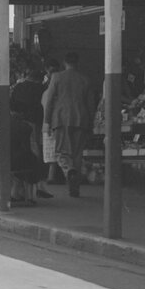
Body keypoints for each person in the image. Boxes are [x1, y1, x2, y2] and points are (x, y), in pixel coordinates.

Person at [43, 51, 97, 197]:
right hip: (81, 119)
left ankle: (69, 171)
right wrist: (91, 123)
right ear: (77, 63)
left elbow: (49, 102)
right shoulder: (85, 79)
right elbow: (91, 105)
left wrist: (47, 121)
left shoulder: (57, 77)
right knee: (77, 153)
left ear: (64, 63)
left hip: (60, 119)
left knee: (61, 151)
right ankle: (75, 187)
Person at [8, 64, 53, 199]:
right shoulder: (41, 88)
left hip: (19, 123)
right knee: (35, 151)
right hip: (34, 123)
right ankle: (39, 186)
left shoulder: (18, 87)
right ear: (39, 79)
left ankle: (23, 189)